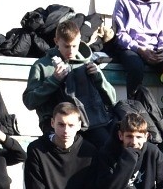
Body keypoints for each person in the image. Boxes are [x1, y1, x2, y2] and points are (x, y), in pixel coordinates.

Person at [22, 16, 118, 147]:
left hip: (90, 122)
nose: (71, 51)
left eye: (75, 46)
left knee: (108, 148)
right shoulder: (42, 66)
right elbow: (29, 101)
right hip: (57, 125)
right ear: (56, 41)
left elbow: (112, 100)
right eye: (66, 46)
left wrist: (98, 77)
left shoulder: (87, 63)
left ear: (80, 41)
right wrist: (54, 80)